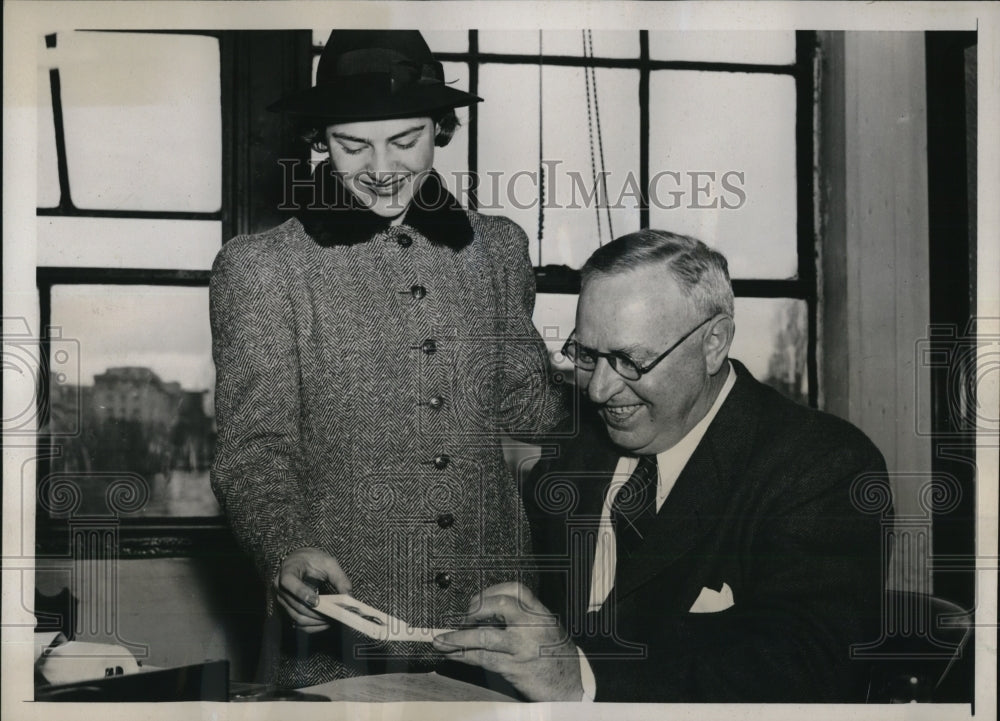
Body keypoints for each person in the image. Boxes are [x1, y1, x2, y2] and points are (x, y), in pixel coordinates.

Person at [210, 30, 566, 687]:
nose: (381, 166)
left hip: (498, 632)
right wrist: (283, 550)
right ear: (319, 139)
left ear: (441, 128)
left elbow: (531, 409)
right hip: (339, 631)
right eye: (353, 144)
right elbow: (253, 447)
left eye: (405, 141)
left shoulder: (499, 248)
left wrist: (605, 361)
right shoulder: (260, 268)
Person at [434, 229, 890, 702]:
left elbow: (811, 668)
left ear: (714, 343)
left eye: (631, 360)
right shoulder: (573, 452)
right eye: (587, 355)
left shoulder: (822, 467)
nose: (599, 390)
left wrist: (582, 679)